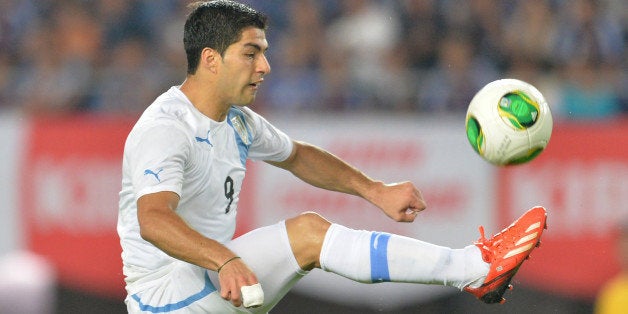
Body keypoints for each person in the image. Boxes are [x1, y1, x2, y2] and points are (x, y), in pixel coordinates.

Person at [117, 1, 548, 312]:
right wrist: (225, 259)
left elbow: (299, 156)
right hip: (167, 297)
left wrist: (374, 191)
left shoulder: (238, 122)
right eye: (251, 53)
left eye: (264, 52)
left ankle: (473, 269)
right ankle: (473, 267)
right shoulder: (167, 129)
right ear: (211, 60)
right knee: (308, 234)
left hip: (210, 282)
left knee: (309, 234)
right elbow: (153, 219)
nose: (265, 66)